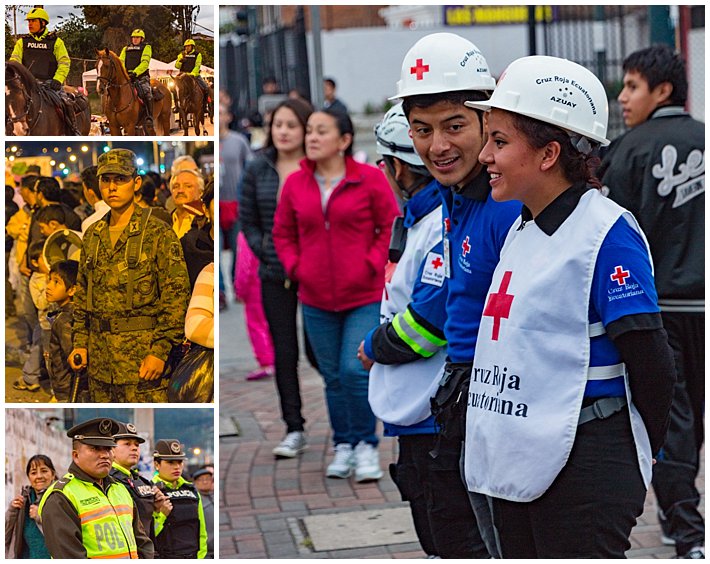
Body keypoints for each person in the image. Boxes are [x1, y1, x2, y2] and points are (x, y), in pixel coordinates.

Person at [462, 54, 676, 558]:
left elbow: (652, 361)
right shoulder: (522, 225)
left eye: (499, 142)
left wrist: (635, 453)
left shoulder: (606, 233)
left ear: (548, 153)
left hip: (587, 464)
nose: (485, 157)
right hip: (521, 458)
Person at [380, 32, 521, 557]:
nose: (437, 146)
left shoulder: (507, 205)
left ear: (488, 120)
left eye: (454, 126)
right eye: (422, 130)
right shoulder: (455, 193)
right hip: (462, 415)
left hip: (501, 420)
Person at [598, 44, 705, 559]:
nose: (622, 97)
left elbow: (610, 232)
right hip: (704, 305)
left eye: (632, 86)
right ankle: (679, 517)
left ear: (662, 90)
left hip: (660, 306)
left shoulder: (628, 150)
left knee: (675, 416)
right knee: (695, 418)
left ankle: (686, 531)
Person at [273, 108, 400, 480]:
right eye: (309, 130)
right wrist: (297, 268)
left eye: (321, 131)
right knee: (331, 376)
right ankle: (343, 445)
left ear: (344, 140)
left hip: (362, 295)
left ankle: (366, 446)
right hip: (314, 298)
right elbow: (283, 233)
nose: (311, 138)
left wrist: (370, 264)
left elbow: (389, 225)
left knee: (354, 369)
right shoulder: (296, 184)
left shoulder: (370, 179)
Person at [358, 103, 450, 556]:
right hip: (419, 407)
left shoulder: (439, 223)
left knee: (443, 527)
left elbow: (431, 320)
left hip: (433, 410)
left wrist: (376, 346)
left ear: (396, 167)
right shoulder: (423, 217)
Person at [69, 149, 191, 402]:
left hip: (143, 361)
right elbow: (82, 293)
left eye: (120, 179)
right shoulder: (93, 234)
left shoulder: (157, 231)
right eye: (106, 180)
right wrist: (80, 342)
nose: (112, 187)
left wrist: (160, 350)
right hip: (100, 362)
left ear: (135, 183)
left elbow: (176, 296)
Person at [240, 98, 314, 457]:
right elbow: (248, 219)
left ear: (305, 129)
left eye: (291, 125)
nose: (283, 131)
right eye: (277, 125)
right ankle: (294, 427)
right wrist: (266, 249)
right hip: (274, 272)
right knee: (285, 354)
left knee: (320, 353)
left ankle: (349, 429)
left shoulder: (319, 167)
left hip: (317, 274)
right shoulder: (258, 167)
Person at [38, 417, 154, 558]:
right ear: (76, 455)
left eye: (108, 448)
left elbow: (142, 542)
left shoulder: (119, 489)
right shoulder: (61, 496)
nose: (104, 455)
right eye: (95, 448)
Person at [8, 7, 80, 135]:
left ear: (43, 23)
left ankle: (73, 130)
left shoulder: (56, 42)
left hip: (49, 84)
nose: (29, 24)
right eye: (28, 21)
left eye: (33, 21)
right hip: (27, 85)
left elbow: (64, 62)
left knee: (66, 102)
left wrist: (58, 79)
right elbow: (14, 62)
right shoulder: (21, 42)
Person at [109, 421, 170, 545]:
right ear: (111, 449)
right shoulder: (108, 480)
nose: (134, 448)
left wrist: (158, 511)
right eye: (127, 444)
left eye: (137, 445)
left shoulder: (140, 481)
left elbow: (148, 524)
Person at [219, 102, 253, 309]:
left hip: (236, 203)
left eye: (221, 113)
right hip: (216, 204)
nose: (219, 116)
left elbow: (249, 168)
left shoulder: (238, 141)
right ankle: (221, 292)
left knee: (236, 248)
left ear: (228, 117)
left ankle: (236, 283)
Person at [152, 439, 208, 559]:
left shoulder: (192, 490)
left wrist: (201, 557)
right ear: (157, 464)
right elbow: (147, 535)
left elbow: (201, 530)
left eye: (180, 462)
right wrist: (161, 515)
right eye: (171, 462)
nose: (177, 467)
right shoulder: (150, 491)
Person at [5, 454, 57, 558]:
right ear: (29, 477)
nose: (39, 476)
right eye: (33, 473)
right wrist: (12, 511)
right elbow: (5, 535)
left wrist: (41, 516)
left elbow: (67, 532)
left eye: (44, 471)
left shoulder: (60, 498)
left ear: (53, 474)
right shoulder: (24, 501)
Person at [45, 259, 78, 402]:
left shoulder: (65, 320)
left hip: (68, 389)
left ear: (72, 290)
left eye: (56, 282)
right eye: (49, 280)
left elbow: (72, 356)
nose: (48, 287)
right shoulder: (65, 314)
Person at [118, 29, 154, 130]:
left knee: (147, 93)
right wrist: (124, 73)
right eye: (133, 37)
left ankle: (149, 117)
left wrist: (135, 72)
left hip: (141, 77)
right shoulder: (126, 48)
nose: (134, 39)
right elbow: (121, 61)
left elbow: (145, 62)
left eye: (137, 37)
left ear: (142, 39)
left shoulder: (146, 47)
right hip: (127, 77)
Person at [175, 39, 211, 116]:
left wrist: (192, 74)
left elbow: (197, 66)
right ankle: (176, 106)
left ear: (192, 46)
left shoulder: (197, 54)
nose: (187, 48)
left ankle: (204, 107)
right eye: (186, 46)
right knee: (174, 88)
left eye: (189, 46)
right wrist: (180, 61)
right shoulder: (181, 54)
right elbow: (176, 66)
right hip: (182, 75)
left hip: (194, 75)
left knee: (206, 88)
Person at [170, 168, 206, 240]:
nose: (180, 190)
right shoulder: (166, 220)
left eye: (188, 186)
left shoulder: (205, 222)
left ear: (200, 192)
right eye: (176, 186)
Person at [192, 468, 214, 559]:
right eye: (201, 480)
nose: (205, 482)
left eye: (208, 479)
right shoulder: (194, 501)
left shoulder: (214, 497)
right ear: (195, 482)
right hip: (204, 552)